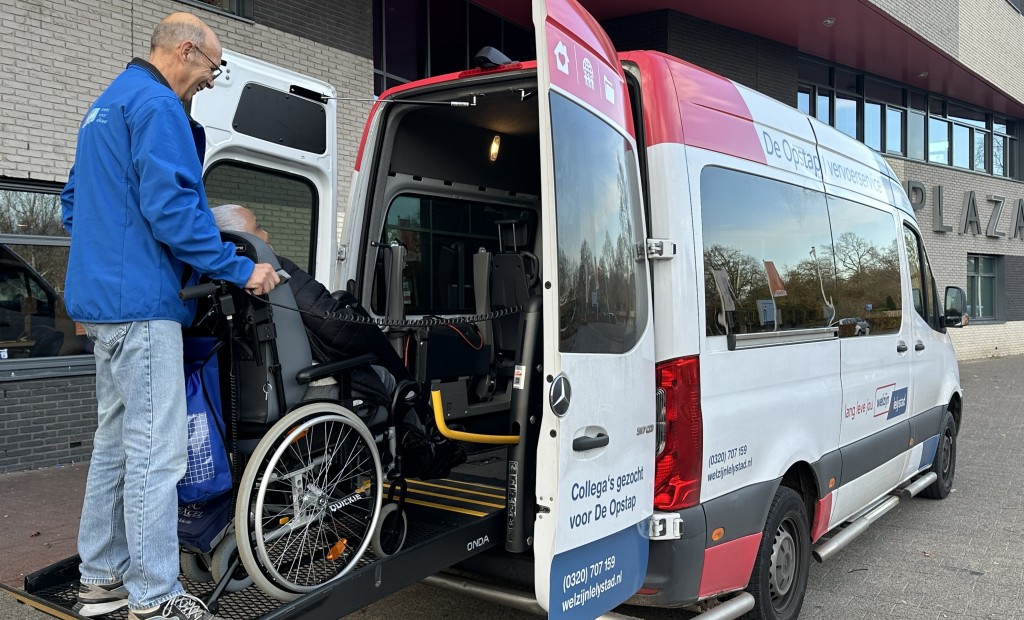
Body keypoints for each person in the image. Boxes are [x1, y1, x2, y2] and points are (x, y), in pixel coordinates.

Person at [61, 14, 280, 620]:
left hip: (102, 309)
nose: (211, 80)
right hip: (143, 308)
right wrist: (241, 270)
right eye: (213, 68)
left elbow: (72, 204)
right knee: (157, 455)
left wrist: (110, 255)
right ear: (186, 50)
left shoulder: (105, 103)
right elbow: (174, 211)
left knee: (113, 447)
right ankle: (153, 598)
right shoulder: (158, 107)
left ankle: (100, 580)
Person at [211, 204, 466, 480]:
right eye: (258, 227)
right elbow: (336, 327)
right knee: (389, 379)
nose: (267, 232)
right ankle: (424, 456)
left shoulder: (208, 283)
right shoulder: (274, 270)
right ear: (240, 242)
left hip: (232, 403)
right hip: (295, 393)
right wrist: (365, 329)